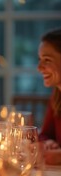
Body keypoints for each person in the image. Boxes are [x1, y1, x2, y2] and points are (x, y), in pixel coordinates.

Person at [37, 27, 61, 165]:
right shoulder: (57, 95)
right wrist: (48, 143)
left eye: (46, 60)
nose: (39, 67)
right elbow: (45, 134)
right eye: (40, 59)